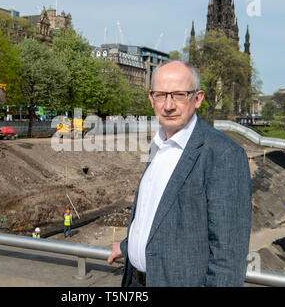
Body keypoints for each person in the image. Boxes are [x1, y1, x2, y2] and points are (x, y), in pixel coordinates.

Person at [107, 60, 252, 287]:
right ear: (151, 99)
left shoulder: (223, 154)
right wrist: (129, 246)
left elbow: (228, 259)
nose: (168, 105)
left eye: (178, 95)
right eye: (161, 95)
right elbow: (155, 215)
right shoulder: (159, 144)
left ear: (198, 98)